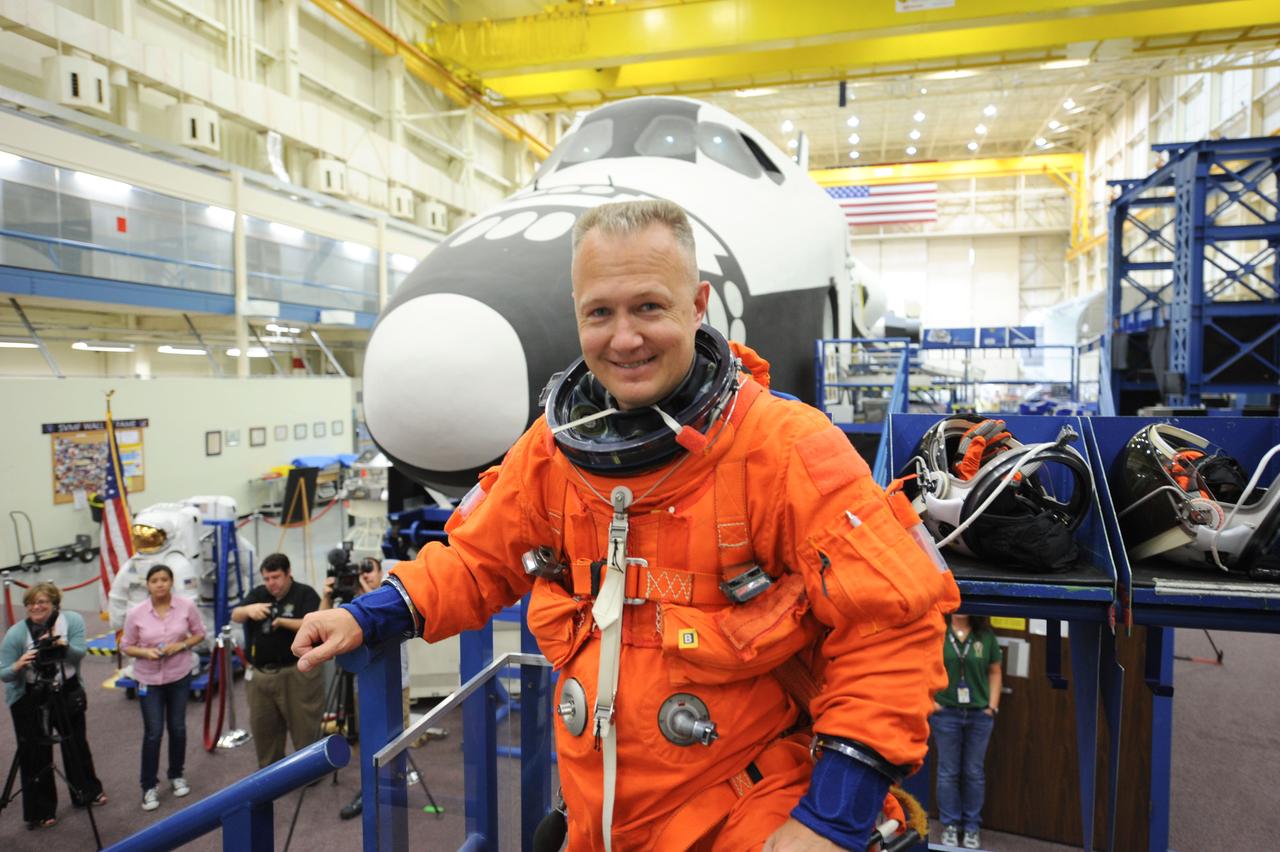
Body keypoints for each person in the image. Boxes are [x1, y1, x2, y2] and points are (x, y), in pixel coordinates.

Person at [293, 200, 959, 850]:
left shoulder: (783, 448)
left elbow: (893, 623)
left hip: (743, 809)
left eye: (648, 307)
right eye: (601, 313)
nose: (625, 338)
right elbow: (479, 560)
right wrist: (371, 615)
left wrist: (830, 821)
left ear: (698, 306)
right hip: (599, 815)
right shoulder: (554, 451)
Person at [0, 582, 107, 829]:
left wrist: (62, 646)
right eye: (31, 603)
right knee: (34, 754)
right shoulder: (17, 634)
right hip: (29, 696)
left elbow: (79, 654)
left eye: (42, 602)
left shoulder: (71, 621)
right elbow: (4, 673)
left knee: (76, 744)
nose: (36, 607)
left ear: (54, 603)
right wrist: (19, 664)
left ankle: (86, 793)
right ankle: (41, 810)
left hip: (66, 690)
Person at [319, 556, 414, 820]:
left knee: (396, 738)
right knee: (366, 736)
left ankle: (395, 787)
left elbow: (387, 619)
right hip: (363, 682)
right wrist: (328, 596)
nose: (365, 576)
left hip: (397, 681)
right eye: (361, 573)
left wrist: (370, 592)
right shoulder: (351, 603)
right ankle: (369, 787)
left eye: (369, 571)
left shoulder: (389, 596)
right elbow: (322, 621)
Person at [120, 564, 206, 811]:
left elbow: (199, 634)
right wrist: (145, 652)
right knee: (153, 732)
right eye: (155, 580)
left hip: (179, 675)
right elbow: (126, 645)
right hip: (148, 680)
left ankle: (176, 774)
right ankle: (149, 786)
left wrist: (180, 646)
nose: (159, 584)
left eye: (164, 579)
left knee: (178, 728)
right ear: (148, 584)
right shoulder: (136, 613)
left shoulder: (186, 606)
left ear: (171, 582)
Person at [231, 552, 324, 768]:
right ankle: (271, 774)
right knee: (264, 728)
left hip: (295, 673)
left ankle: (310, 771)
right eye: (267, 579)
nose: (271, 583)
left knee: (305, 727)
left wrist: (281, 621)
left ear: (288, 573)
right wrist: (248, 609)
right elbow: (236, 615)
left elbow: (314, 625)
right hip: (260, 676)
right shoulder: (259, 594)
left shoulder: (305, 594)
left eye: (276, 577)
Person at [931, 613, 1003, 850]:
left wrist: (991, 707)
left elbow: (994, 672)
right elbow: (925, 669)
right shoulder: (939, 632)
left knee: (974, 772)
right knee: (947, 772)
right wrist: (930, 701)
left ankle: (972, 827)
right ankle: (950, 825)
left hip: (979, 715)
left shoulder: (985, 636)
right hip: (946, 713)